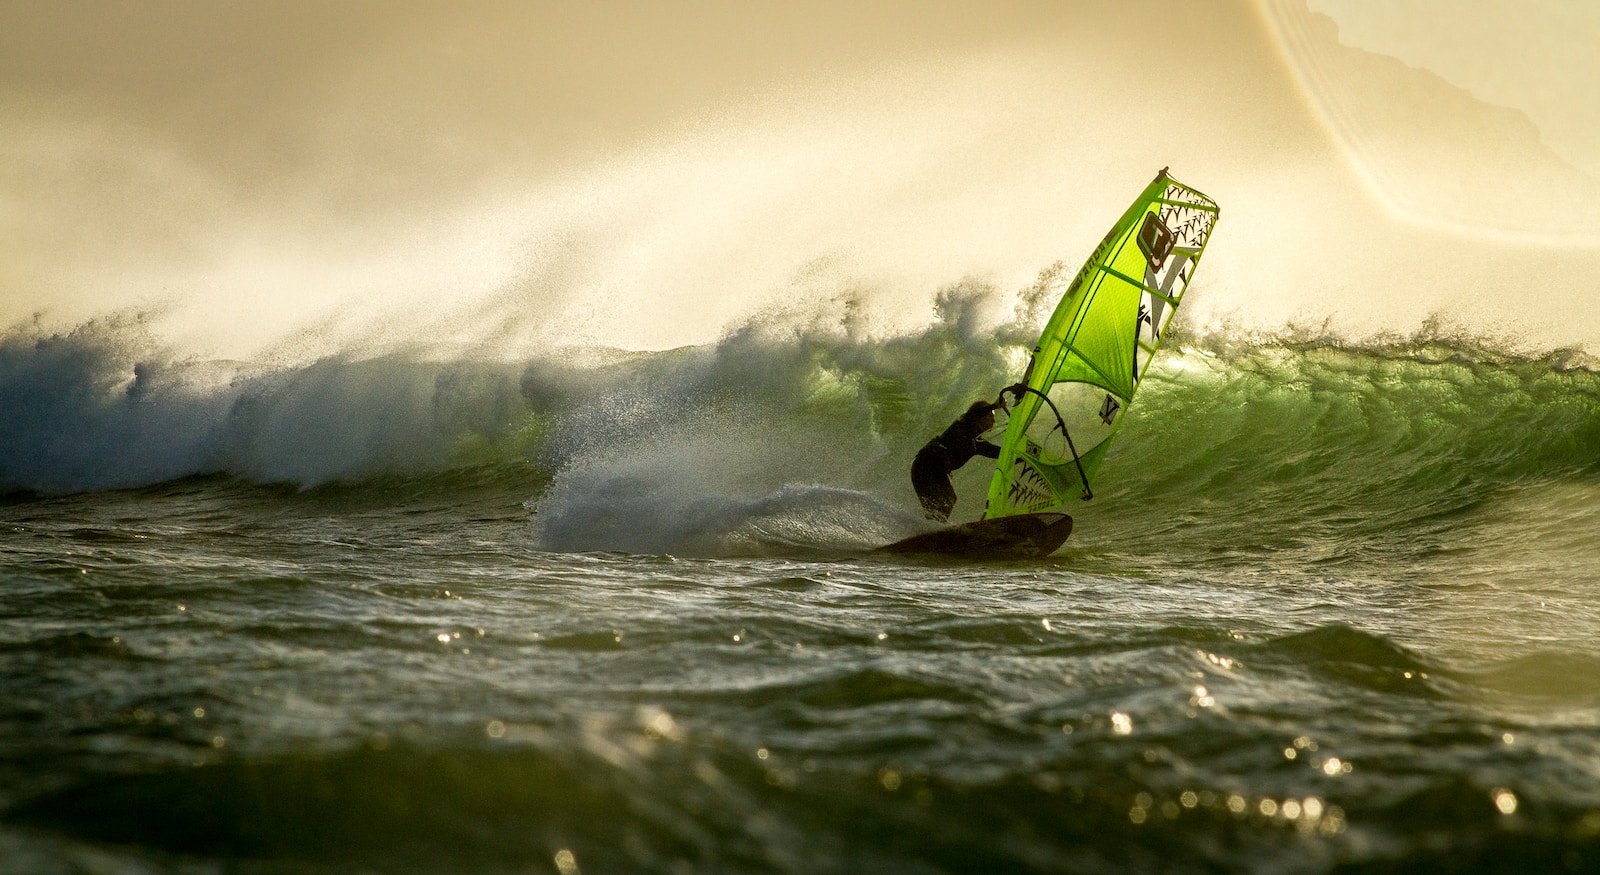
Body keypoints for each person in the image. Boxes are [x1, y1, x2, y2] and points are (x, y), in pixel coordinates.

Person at [910, 391, 1015, 522]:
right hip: (927, 463)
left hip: (925, 469)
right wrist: (993, 406)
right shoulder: (964, 423)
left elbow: (1001, 453)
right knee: (948, 499)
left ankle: (925, 531)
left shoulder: (977, 444)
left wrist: (1019, 453)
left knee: (938, 507)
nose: (993, 420)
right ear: (980, 417)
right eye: (990, 416)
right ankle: (931, 529)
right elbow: (973, 414)